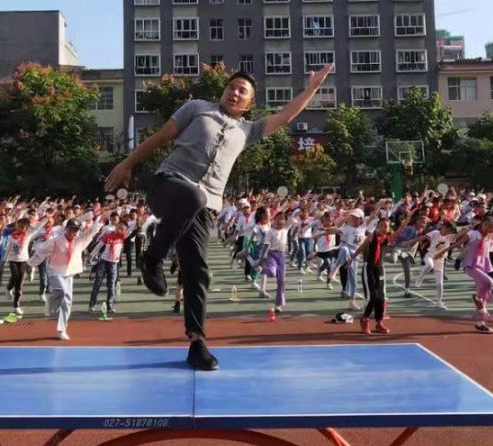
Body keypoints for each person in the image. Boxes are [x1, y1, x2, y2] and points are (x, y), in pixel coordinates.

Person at [104, 64, 334, 371]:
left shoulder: (248, 130)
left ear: (249, 103)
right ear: (223, 91)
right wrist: (126, 164)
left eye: (243, 91)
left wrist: (313, 87)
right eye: (232, 87)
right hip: (168, 186)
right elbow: (160, 138)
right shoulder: (197, 109)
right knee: (194, 195)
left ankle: (197, 342)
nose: (235, 92)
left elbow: (286, 116)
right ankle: (152, 258)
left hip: (204, 208)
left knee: (198, 269)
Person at [29, 213, 104, 340]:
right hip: (55, 272)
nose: (74, 232)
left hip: (69, 273)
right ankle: (51, 302)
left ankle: (61, 330)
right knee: (61, 290)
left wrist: (99, 219)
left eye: (76, 230)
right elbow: (41, 252)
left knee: (67, 303)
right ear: (66, 228)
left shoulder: (80, 240)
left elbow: (91, 232)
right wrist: (30, 264)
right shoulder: (55, 240)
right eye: (71, 229)